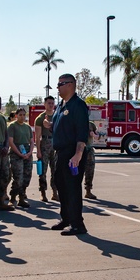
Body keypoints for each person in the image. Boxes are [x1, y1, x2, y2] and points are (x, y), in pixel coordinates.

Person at [50, 74, 89, 235]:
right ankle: (66, 218)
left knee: (72, 188)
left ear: (70, 85)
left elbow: (82, 133)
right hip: (60, 152)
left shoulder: (78, 105)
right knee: (61, 186)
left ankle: (77, 224)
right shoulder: (61, 105)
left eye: (60, 84)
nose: (58, 87)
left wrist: (78, 154)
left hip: (72, 152)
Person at [7, 108, 34, 207]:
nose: (22, 117)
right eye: (20, 115)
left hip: (27, 151)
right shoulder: (12, 126)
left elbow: (31, 141)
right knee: (18, 177)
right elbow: (11, 142)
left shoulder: (27, 127)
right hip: (16, 152)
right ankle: (13, 197)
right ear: (16, 116)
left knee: (27, 176)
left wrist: (30, 152)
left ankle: (22, 198)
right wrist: (19, 153)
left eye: (24, 115)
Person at [34, 96, 57, 202]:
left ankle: (55, 192)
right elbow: (37, 137)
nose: (51, 105)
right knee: (43, 171)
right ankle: (43, 192)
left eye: (52, 103)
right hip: (45, 144)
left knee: (56, 170)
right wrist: (38, 150)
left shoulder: (57, 116)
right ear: (45, 104)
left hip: (56, 144)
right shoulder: (40, 118)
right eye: (49, 103)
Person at [83, 120, 97, 200]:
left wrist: (94, 134)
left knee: (90, 171)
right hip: (79, 149)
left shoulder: (91, 124)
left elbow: (96, 135)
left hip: (89, 149)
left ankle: (88, 191)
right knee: (77, 172)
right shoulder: (77, 122)